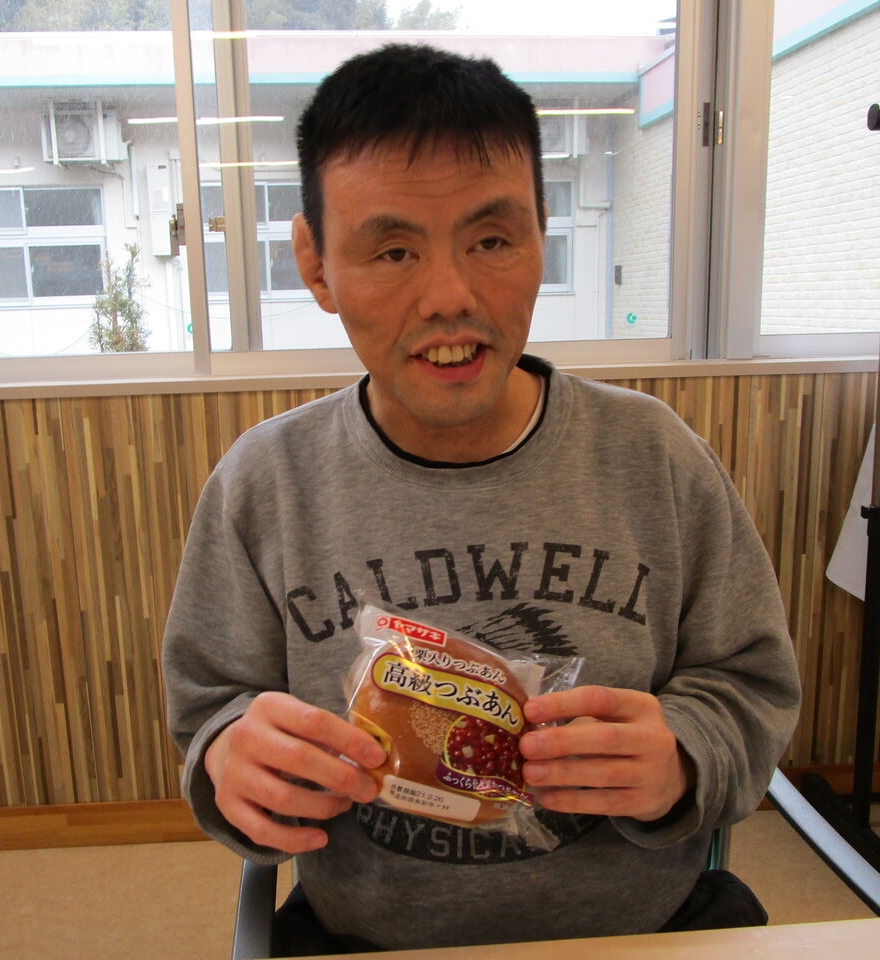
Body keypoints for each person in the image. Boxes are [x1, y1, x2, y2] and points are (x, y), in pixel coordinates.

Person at [163, 43, 801, 955]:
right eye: (393, 251)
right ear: (316, 264)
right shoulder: (265, 486)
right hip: (364, 937)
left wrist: (682, 755)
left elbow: (752, 685)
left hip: (645, 932)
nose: (450, 297)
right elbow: (209, 707)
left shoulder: (654, 457)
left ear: (543, 233)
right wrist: (234, 757)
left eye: (493, 241)